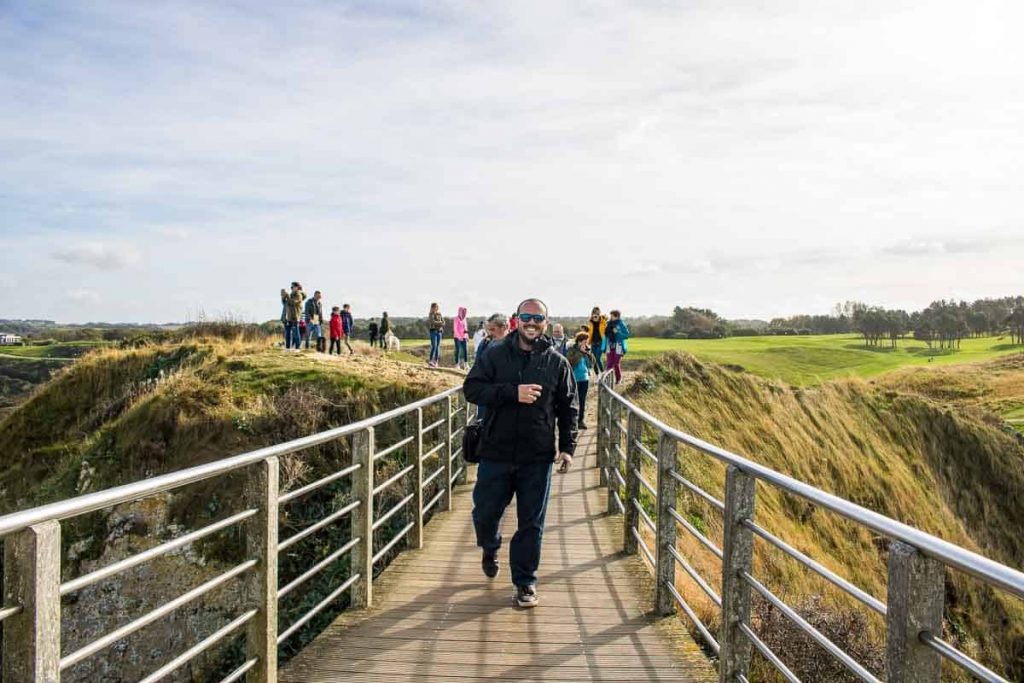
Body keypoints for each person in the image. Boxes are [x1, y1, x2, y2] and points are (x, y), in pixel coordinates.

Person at [463, 299, 578, 609]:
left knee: (531, 522)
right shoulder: (495, 354)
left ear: (545, 322)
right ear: (516, 320)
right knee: (485, 514)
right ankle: (490, 546)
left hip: (537, 457)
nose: (532, 322)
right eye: (526, 316)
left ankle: (525, 582)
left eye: (537, 318)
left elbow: (569, 409)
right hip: (495, 452)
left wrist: (567, 448)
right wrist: (512, 392)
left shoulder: (557, 363)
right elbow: (472, 389)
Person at [473, 313, 510, 422]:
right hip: (486, 399)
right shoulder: (484, 344)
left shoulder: (518, 346)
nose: (489, 333)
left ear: (505, 327)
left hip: (508, 403)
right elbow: (476, 370)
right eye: (488, 329)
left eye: (493, 329)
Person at [567, 332, 597, 429]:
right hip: (574, 378)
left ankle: (580, 421)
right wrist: (580, 352)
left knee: (582, 400)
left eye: (587, 342)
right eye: (584, 342)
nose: (585, 344)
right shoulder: (571, 349)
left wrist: (588, 353)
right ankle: (572, 421)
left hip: (584, 378)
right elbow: (571, 362)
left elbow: (592, 363)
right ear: (579, 341)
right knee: (573, 400)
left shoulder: (586, 350)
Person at [604, 309, 630, 384]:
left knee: (616, 363)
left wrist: (618, 332)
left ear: (617, 317)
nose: (611, 317)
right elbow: (606, 334)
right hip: (610, 346)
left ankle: (618, 379)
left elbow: (627, 335)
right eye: (610, 316)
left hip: (619, 346)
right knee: (609, 364)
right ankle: (607, 380)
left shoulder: (621, 324)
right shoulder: (608, 324)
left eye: (612, 316)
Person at [282, 282, 304, 350]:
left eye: (292, 287)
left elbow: (293, 303)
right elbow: (285, 303)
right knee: (287, 333)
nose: (291, 289)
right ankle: (287, 348)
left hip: (295, 317)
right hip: (288, 317)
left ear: (297, 287)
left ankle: (298, 348)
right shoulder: (291, 295)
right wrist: (283, 297)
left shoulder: (299, 295)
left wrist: (288, 296)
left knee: (296, 333)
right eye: (291, 287)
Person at [587, 307, 608, 372]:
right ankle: (597, 374)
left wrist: (601, 319)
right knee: (593, 359)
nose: (596, 315)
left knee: (598, 358)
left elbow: (606, 323)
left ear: (599, 314)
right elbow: (590, 332)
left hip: (601, 342)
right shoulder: (590, 322)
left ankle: (602, 372)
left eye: (597, 313)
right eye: (594, 313)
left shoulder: (603, 321)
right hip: (593, 342)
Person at [427, 303, 444, 367]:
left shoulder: (439, 314)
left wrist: (439, 323)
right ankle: (430, 361)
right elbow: (432, 322)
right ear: (432, 308)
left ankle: (436, 362)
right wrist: (440, 323)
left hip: (439, 332)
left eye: (437, 307)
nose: (436, 308)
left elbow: (444, 322)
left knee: (438, 347)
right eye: (434, 307)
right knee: (434, 346)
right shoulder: (431, 314)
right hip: (433, 331)